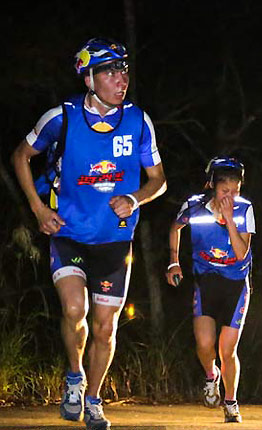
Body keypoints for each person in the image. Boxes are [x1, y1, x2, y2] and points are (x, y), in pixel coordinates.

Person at [11, 38, 166, 430]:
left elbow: (159, 180)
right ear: (89, 79)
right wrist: (38, 209)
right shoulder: (61, 118)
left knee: (105, 327)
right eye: (110, 72)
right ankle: (74, 376)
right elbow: (20, 156)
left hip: (114, 240)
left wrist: (134, 198)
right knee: (74, 310)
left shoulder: (138, 121)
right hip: (69, 233)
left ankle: (94, 400)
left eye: (123, 71)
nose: (121, 80)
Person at [166, 157, 254, 423]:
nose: (230, 196)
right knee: (205, 344)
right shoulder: (194, 206)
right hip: (206, 280)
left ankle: (231, 402)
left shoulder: (244, 209)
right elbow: (175, 227)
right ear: (212, 186)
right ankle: (210, 376)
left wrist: (229, 219)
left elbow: (241, 253)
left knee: (227, 350)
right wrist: (173, 261)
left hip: (235, 284)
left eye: (235, 190)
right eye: (225, 190)